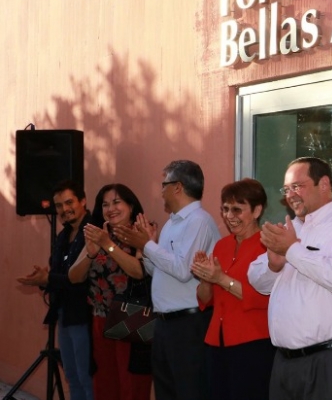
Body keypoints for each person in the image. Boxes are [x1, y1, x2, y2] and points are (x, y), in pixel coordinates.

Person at [248, 156, 332, 400]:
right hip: (284, 362)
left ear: (324, 184)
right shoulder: (289, 229)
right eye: (286, 189)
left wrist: (292, 250)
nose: (290, 195)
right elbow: (257, 281)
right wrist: (274, 265)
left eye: (297, 186)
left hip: (330, 360)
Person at [115, 160, 221, 400]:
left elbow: (183, 270)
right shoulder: (172, 223)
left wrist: (147, 245)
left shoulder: (199, 221)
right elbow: (159, 272)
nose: (161, 190)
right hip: (165, 324)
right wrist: (146, 249)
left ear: (178, 187)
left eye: (164, 184)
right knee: (166, 392)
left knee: (189, 392)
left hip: (188, 324)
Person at [191, 178, 275, 400]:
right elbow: (205, 300)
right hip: (216, 342)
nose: (229, 216)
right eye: (225, 209)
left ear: (257, 211)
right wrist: (206, 277)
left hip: (253, 343)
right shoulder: (222, 245)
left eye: (237, 209)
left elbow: (263, 298)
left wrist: (220, 278)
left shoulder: (268, 246)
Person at [68, 183, 153, 400]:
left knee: (131, 386)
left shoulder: (141, 233)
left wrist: (108, 246)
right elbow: (74, 277)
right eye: (105, 204)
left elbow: (138, 272)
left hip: (131, 317)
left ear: (131, 206)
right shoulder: (98, 235)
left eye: (116, 202)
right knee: (105, 385)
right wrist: (91, 253)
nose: (110, 209)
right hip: (100, 319)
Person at [17, 180, 94, 400]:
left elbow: (80, 279)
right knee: (72, 376)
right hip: (64, 314)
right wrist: (42, 279)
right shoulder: (62, 236)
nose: (64, 209)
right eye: (59, 205)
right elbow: (59, 275)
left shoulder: (93, 232)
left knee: (87, 377)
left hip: (84, 316)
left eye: (69, 202)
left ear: (83, 201)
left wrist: (48, 278)